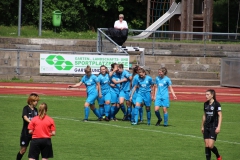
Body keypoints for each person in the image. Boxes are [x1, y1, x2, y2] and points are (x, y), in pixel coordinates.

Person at [16, 93, 40, 160]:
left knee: (35, 150)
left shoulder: (35, 110)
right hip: (25, 133)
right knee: (23, 150)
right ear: (31, 101)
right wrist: (31, 122)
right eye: (36, 101)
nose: (37, 102)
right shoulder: (26, 108)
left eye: (37, 101)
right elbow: (25, 117)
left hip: (34, 134)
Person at [201, 89, 222, 160]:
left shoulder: (217, 104)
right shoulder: (205, 104)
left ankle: (218, 156)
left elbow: (220, 115)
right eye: (205, 94)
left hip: (213, 126)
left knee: (210, 145)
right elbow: (204, 115)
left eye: (207, 94)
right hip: (206, 126)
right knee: (206, 145)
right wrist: (202, 126)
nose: (206, 96)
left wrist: (218, 127)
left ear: (212, 95)